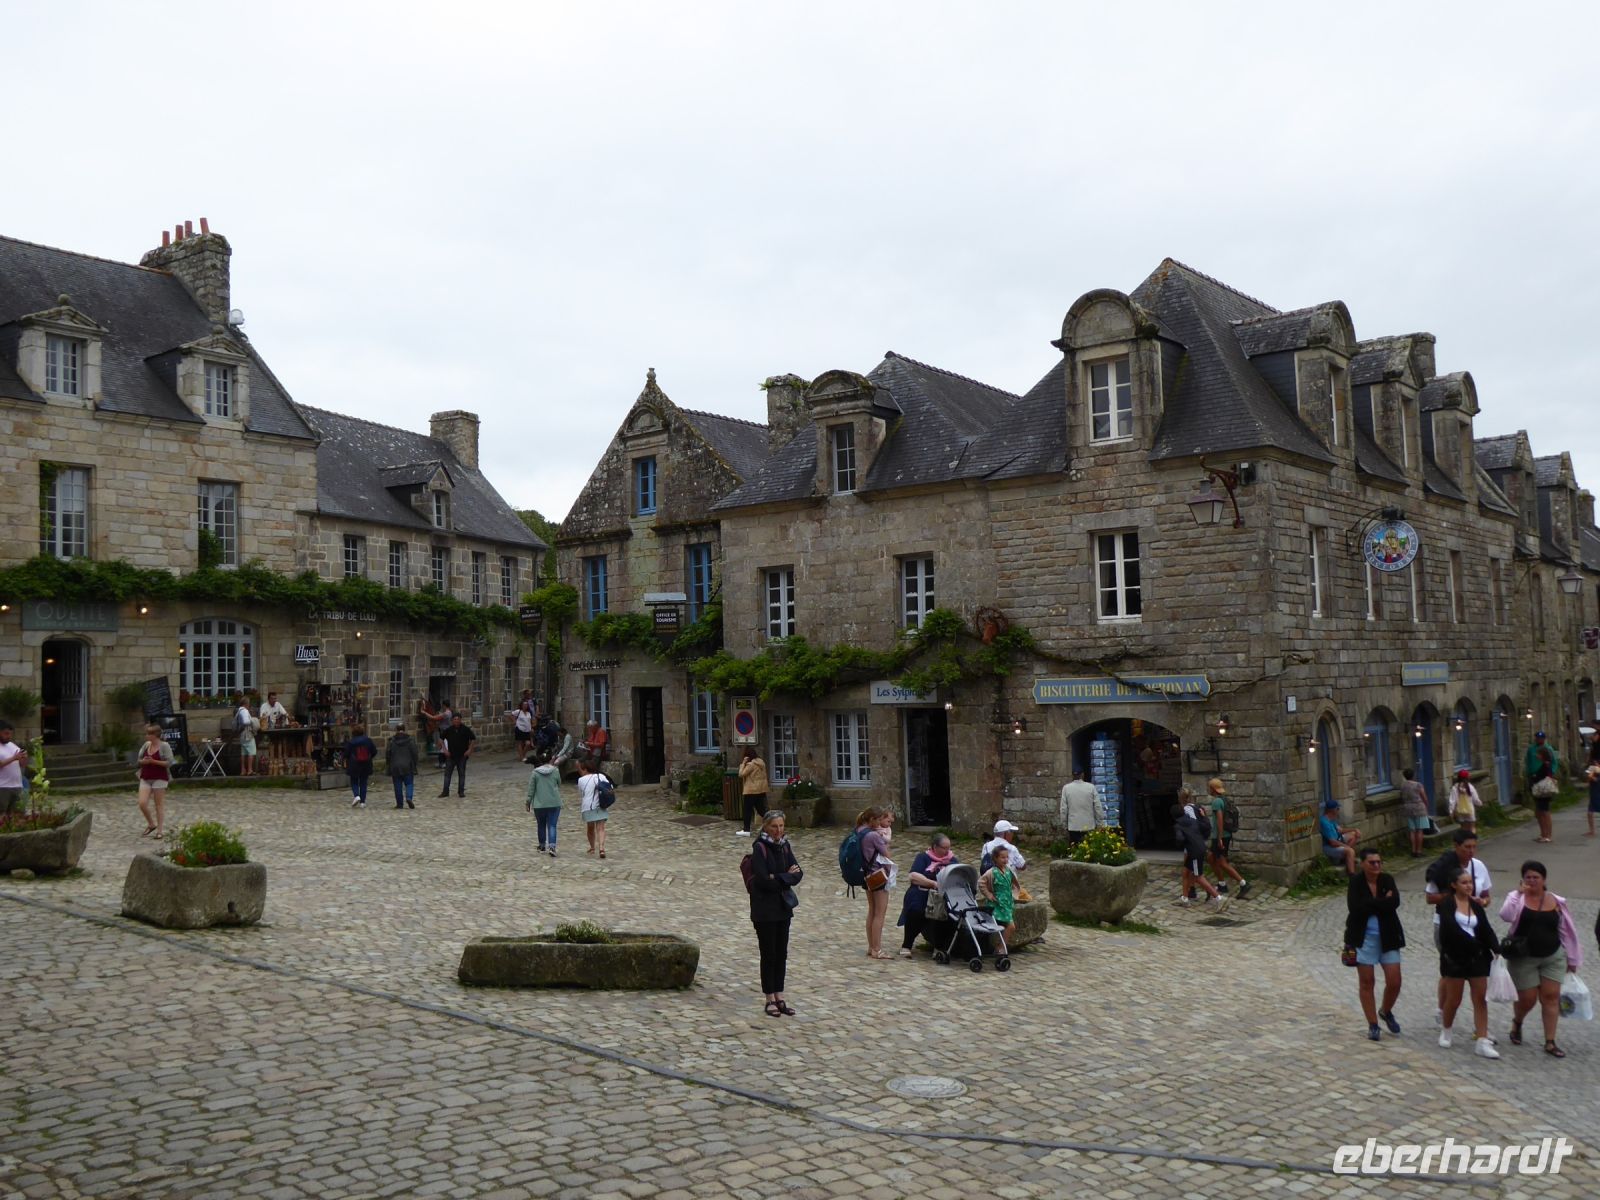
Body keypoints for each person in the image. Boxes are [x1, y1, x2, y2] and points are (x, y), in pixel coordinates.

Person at [1499, 860, 1584, 1059]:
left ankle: (1550, 1041)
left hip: (1553, 955)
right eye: (1528, 877)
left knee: (1551, 997)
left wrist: (1572, 958)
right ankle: (1518, 1021)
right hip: (1524, 957)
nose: (1532, 881)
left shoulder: (1556, 901)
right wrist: (1519, 893)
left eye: (1536, 877)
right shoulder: (1516, 897)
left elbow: (1566, 931)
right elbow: (1506, 915)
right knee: (1527, 999)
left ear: (1544, 879)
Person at [1424, 828, 1492, 1030]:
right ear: (1456, 847)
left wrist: (1482, 901)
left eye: (1474, 847)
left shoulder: (1478, 867)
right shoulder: (1444, 868)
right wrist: (1457, 896)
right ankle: (1443, 1010)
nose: (1471, 851)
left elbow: (1487, 896)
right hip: (1447, 924)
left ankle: (1479, 1026)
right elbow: (1430, 898)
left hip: (1474, 924)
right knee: (1451, 969)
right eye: (1466, 847)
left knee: (1476, 972)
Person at [1436, 863, 1502, 1058]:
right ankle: (1446, 1029)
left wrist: (1496, 948)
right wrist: (1472, 943)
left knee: (1480, 999)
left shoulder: (1475, 905)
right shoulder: (1447, 904)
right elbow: (1449, 929)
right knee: (1454, 999)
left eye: (1470, 882)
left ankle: (1482, 1039)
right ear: (1454, 885)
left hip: (1477, 958)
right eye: (1464, 883)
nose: (1468, 886)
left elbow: (1485, 928)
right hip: (1455, 957)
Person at [1343, 847, 1405, 1041]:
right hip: (1363, 939)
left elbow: (1394, 903)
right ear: (1363, 864)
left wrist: (1371, 903)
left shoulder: (1387, 880)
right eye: (1372, 862)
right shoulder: (1356, 882)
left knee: (1395, 981)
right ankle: (1373, 1024)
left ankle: (1386, 1011)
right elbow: (1355, 908)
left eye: (1379, 862)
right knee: (1367, 982)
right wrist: (1381, 903)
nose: (1377, 865)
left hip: (1388, 937)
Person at [748, 809, 802, 1017]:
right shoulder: (760, 848)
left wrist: (778, 877)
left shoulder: (785, 846)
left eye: (781, 826)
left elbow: (798, 873)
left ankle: (779, 994)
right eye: (774, 826)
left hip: (783, 908)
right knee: (768, 953)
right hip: (764, 910)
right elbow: (763, 880)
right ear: (765, 827)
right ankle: (769, 997)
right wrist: (784, 877)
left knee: (781, 954)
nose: (778, 830)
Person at [897, 832, 956, 957]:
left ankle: (939, 946)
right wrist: (933, 883)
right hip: (921, 892)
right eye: (944, 848)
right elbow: (913, 876)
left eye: (948, 848)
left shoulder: (952, 860)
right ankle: (907, 945)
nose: (947, 851)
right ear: (935, 847)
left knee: (946, 915)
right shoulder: (923, 857)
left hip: (941, 896)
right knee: (916, 911)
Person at [1174, 790, 1226, 909]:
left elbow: (1192, 827)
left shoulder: (1187, 810)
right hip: (1197, 843)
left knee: (1197, 875)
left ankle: (1218, 897)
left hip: (1193, 846)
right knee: (1186, 871)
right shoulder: (1197, 807)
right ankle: (1185, 898)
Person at [858, 806, 896, 959]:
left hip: (866, 875)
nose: (881, 823)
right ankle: (877, 949)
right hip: (877, 875)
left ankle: (871, 946)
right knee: (879, 913)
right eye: (879, 819)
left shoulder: (859, 830)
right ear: (872, 819)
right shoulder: (873, 835)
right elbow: (887, 854)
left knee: (872, 911)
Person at [1205, 777, 1251, 898]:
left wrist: (1219, 837)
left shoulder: (1216, 802)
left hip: (1220, 836)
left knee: (1222, 862)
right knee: (1211, 858)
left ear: (1213, 789)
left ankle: (1243, 883)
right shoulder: (1225, 800)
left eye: (1209, 787)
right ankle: (1222, 884)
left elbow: (1219, 819)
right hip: (1226, 835)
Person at [134, 724, 174, 837]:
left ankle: (160, 831)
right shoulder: (146, 745)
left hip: (160, 777)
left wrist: (154, 762)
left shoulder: (164, 746)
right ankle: (151, 824)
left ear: (155, 735)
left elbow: (169, 762)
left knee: (158, 804)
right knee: (142, 803)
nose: (146, 736)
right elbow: (139, 760)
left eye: (148, 734)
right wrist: (144, 761)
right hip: (146, 776)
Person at [978, 843, 1020, 947]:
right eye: (1002, 857)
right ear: (995, 858)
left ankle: (998, 945)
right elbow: (981, 882)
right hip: (997, 903)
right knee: (1011, 926)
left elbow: (1013, 883)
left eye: (1007, 857)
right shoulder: (992, 872)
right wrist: (988, 894)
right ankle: (1001, 947)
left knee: (1004, 925)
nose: (1005, 860)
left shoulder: (1008, 870)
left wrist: (1015, 893)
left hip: (1006, 903)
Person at [1524, 730, 1560, 844]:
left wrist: (1550, 775)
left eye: (1541, 737)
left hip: (1543, 787)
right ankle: (1543, 833)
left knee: (1544, 811)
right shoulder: (1531, 749)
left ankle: (1548, 835)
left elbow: (1552, 767)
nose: (1539, 739)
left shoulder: (1548, 752)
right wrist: (1530, 774)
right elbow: (1528, 763)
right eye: (1537, 737)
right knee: (1539, 811)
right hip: (1535, 784)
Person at [526, 755, 563, 856]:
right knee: (552, 825)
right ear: (550, 759)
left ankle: (542, 846)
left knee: (541, 825)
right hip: (554, 802)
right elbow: (559, 783)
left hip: (539, 803)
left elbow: (531, 789)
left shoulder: (535, 773)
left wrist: (528, 801)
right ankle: (552, 847)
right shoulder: (555, 770)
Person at [576, 758, 612, 857]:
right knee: (601, 828)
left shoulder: (581, 780)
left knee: (590, 828)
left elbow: (582, 792)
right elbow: (610, 788)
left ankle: (592, 848)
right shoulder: (601, 776)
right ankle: (601, 848)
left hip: (588, 806)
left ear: (585, 769)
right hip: (601, 805)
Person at [1059, 769, 1101, 846]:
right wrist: (1099, 823)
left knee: (1075, 850)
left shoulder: (1066, 788)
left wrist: (1064, 824)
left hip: (1073, 825)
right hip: (1088, 825)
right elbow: (1097, 807)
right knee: (1088, 850)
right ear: (1082, 775)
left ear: (1073, 776)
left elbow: (1063, 809)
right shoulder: (1091, 787)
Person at [438, 713, 475, 798]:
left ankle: (461, 791)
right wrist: (444, 749)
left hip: (462, 756)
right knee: (447, 774)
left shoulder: (465, 729)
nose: (456, 721)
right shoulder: (449, 730)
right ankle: (445, 791)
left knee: (461, 774)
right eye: (455, 719)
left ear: (460, 720)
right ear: (452, 721)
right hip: (451, 756)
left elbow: (473, 739)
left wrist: (470, 750)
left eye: (458, 719)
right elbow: (441, 739)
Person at [1318, 799, 1359, 874]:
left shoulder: (1331, 819)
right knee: (1350, 851)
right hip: (1329, 847)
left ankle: (1345, 858)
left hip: (1337, 840)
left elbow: (1340, 830)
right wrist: (1347, 847)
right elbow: (1333, 842)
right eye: (1337, 808)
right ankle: (1352, 875)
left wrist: (1355, 830)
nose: (1338, 810)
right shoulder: (1325, 823)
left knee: (1354, 835)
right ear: (1332, 810)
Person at [737, 746, 770, 836]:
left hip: (751, 790)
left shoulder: (751, 765)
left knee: (747, 810)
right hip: (761, 789)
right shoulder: (761, 762)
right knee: (761, 809)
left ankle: (746, 829)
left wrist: (743, 763)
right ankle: (772, 822)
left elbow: (741, 774)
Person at [1398, 767, 1430, 857]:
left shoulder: (1403, 786)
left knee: (1412, 830)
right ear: (1413, 775)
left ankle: (1413, 850)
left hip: (1408, 808)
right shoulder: (1418, 785)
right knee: (1419, 830)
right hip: (1419, 808)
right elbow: (1424, 797)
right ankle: (1418, 851)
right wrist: (1426, 805)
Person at [343, 724, 377, 808]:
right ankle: (363, 802)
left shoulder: (351, 742)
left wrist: (346, 759)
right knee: (363, 782)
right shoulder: (368, 740)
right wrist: (369, 757)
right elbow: (374, 751)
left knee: (354, 781)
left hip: (354, 764)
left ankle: (357, 796)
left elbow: (346, 753)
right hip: (366, 764)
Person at [0, 721, 28, 818]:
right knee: (2, 814)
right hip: (2, 786)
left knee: (17, 814)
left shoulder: (12, 746)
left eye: (10, 734)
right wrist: (14, 758)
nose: (9, 736)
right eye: (6, 733)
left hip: (17, 785)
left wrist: (24, 758)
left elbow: (22, 764)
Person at [387, 724, 418, 810]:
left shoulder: (391, 741)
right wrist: (414, 763)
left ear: (396, 730)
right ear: (404, 729)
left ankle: (399, 803)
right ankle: (408, 797)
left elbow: (388, 754)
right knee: (409, 783)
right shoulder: (410, 740)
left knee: (397, 785)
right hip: (408, 765)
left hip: (395, 765)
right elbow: (415, 753)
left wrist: (389, 764)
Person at [1448, 769, 1480, 836]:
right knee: (1472, 827)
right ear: (1467, 777)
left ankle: (1465, 840)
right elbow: (1475, 798)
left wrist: (1451, 811)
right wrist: (1479, 803)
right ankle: (1472, 839)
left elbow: (1452, 801)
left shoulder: (1455, 788)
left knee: (1463, 827)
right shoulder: (1470, 787)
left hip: (1460, 810)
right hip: (1469, 810)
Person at [234, 693, 258, 777]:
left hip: (242, 734)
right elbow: (246, 722)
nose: (249, 705)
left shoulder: (239, 711)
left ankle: (243, 770)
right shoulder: (244, 711)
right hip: (247, 734)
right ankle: (250, 770)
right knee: (251, 751)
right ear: (246, 703)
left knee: (243, 752)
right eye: (249, 703)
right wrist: (252, 721)